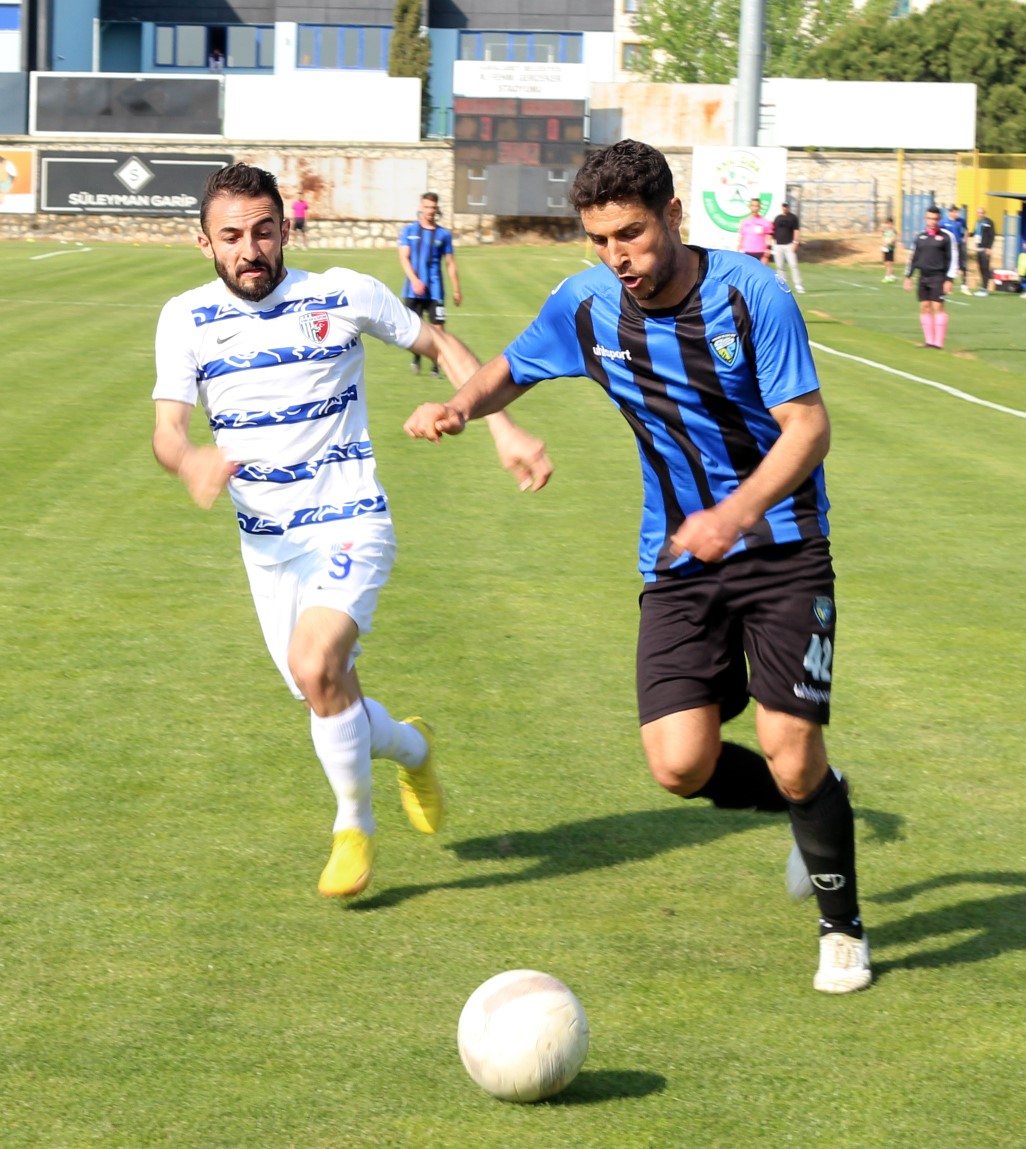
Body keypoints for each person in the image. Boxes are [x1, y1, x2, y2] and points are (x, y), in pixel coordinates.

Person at [404, 140, 870, 994]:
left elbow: (808, 428)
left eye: (632, 233)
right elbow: (511, 367)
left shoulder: (751, 295)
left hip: (781, 548)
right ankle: (814, 798)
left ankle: (841, 928)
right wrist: (461, 405)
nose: (617, 255)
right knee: (678, 764)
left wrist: (734, 513)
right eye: (600, 239)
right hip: (679, 556)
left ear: (673, 216)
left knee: (788, 743)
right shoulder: (587, 306)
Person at [151, 163, 551, 900]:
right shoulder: (184, 318)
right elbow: (167, 430)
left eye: (263, 231)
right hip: (266, 545)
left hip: (349, 520)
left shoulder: (342, 292)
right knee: (324, 688)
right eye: (231, 236)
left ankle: (353, 827)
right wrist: (190, 461)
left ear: (285, 229)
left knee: (315, 662)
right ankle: (414, 747)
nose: (250, 250)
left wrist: (503, 428)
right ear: (204, 242)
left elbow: (440, 346)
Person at [398, 192, 463, 378]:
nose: (430, 211)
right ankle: (416, 356)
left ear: (437, 209)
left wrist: (457, 290)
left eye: (433, 208)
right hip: (413, 291)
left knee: (439, 330)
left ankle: (436, 366)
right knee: (413, 331)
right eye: (426, 207)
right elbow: (404, 258)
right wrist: (414, 280)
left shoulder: (444, 235)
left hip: (435, 290)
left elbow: (450, 263)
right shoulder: (409, 231)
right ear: (421, 208)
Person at [905, 205, 957, 349]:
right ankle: (929, 341)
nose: (932, 222)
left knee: (938, 307)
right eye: (929, 218)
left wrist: (950, 279)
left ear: (939, 219)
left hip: (938, 277)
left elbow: (953, 258)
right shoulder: (920, 237)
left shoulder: (947, 237)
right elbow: (914, 257)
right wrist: (908, 276)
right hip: (923, 276)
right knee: (925, 307)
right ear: (925, 219)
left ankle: (938, 343)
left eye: (935, 219)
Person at [771, 202, 804, 293]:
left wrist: (796, 242)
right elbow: (774, 230)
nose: (785, 208)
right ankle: (783, 285)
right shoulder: (778, 218)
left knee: (793, 265)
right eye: (784, 206)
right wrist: (773, 242)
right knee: (780, 266)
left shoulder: (793, 218)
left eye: (786, 206)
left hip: (789, 244)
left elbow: (796, 230)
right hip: (778, 245)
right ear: (782, 207)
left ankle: (798, 285)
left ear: (788, 207)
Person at [940, 204, 970, 295]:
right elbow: (939, 231)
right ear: (950, 213)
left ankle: (964, 286)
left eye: (957, 212)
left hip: (959, 245)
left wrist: (965, 239)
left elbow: (966, 230)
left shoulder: (961, 221)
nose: (956, 214)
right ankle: (949, 285)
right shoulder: (944, 222)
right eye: (954, 212)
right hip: (949, 246)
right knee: (950, 265)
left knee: (963, 264)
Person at [737, 197, 773, 265]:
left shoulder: (765, 222)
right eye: (753, 206)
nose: (755, 208)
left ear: (759, 208)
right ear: (750, 207)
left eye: (757, 206)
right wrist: (738, 251)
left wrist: (768, 251)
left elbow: (769, 238)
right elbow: (741, 237)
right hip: (747, 252)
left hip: (760, 252)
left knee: (761, 271)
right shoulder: (744, 222)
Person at [973, 206, 996, 296]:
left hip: (985, 248)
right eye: (978, 213)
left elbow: (992, 235)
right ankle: (983, 287)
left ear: (984, 213)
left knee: (985, 268)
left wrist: (989, 247)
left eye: (981, 213)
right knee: (981, 268)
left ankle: (985, 289)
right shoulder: (977, 222)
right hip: (979, 248)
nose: (980, 214)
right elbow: (976, 234)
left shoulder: (988, 222)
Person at [881, 217, 898, 283]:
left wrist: (890, 242)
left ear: (892, 224)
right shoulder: (885, 231)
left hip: (890, 248)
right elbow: (883, 238)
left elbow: (894, 238)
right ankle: (892, 276)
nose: (888, 225)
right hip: (885, 248)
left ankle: (887, 277)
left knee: (889, 263)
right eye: (887, 224)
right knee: (886, 263)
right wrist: (884, 243)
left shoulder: (893, 231)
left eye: (890, 224)